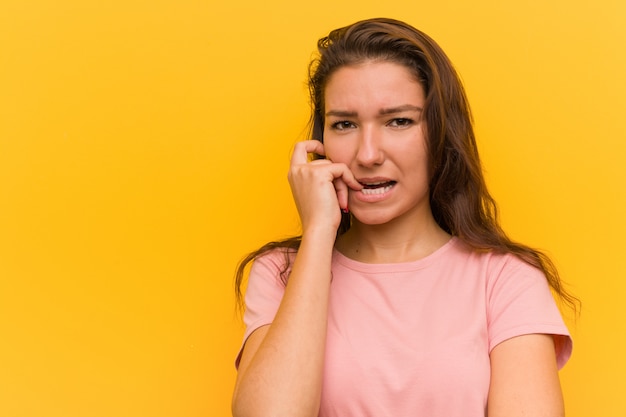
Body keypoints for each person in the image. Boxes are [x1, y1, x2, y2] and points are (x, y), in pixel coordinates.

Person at [231, 17, 577, 417]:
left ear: (440, 134)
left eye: (398, 121)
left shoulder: (504, 279)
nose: (367, 154)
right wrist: (318, 233)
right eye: (344, 124)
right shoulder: (281, 272)